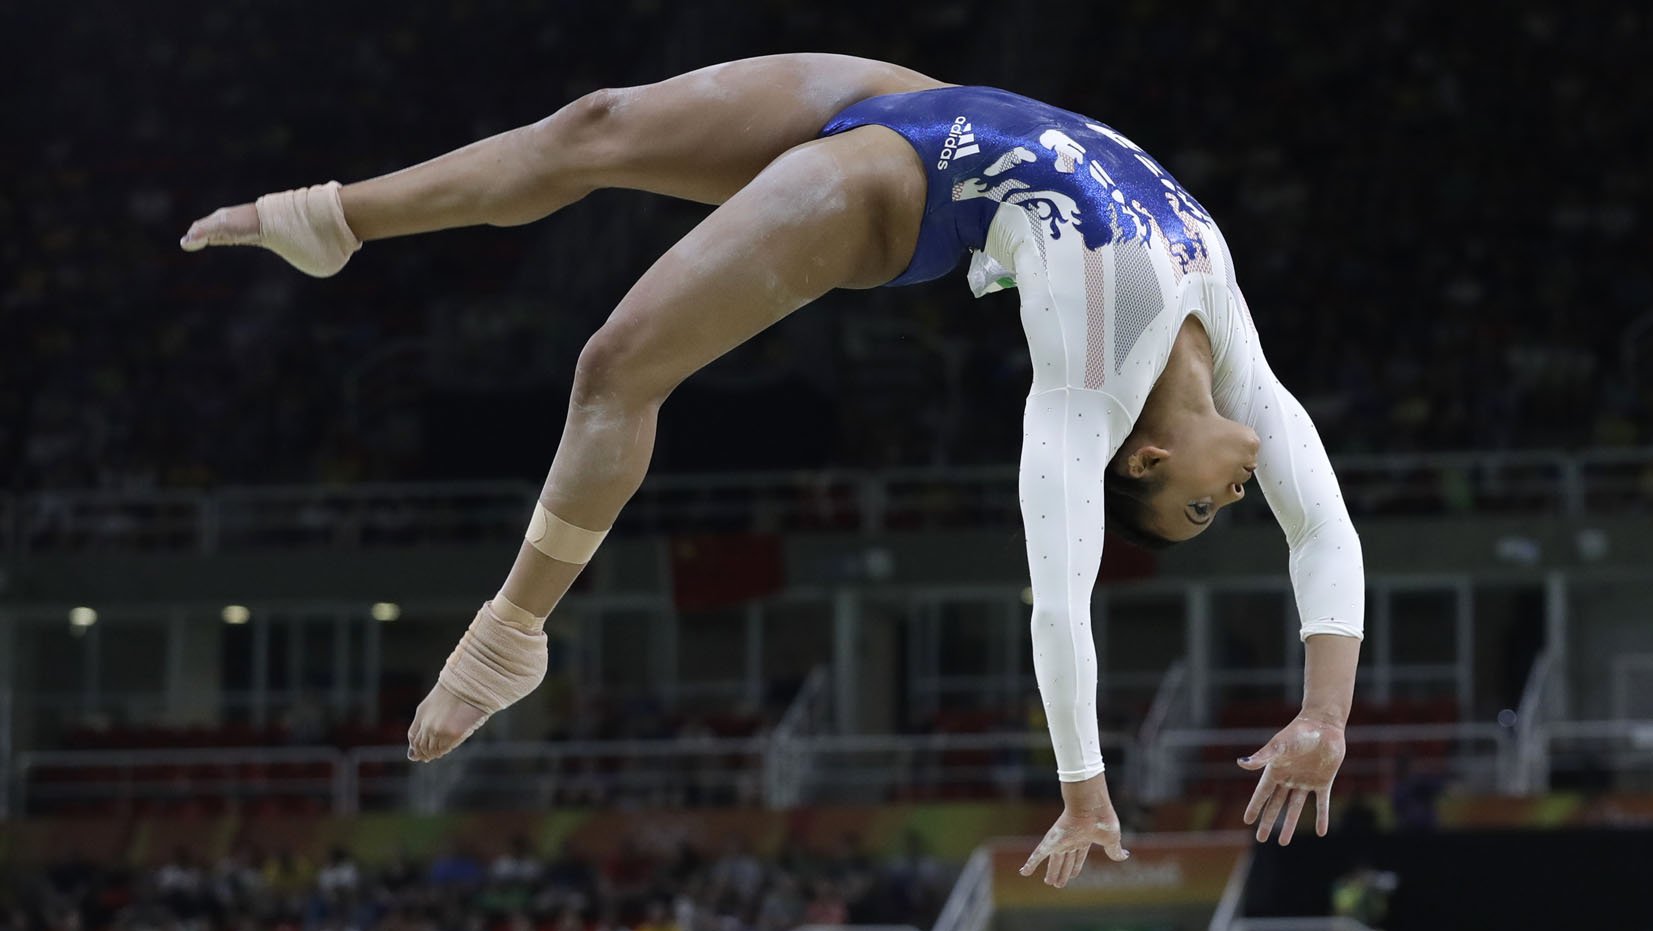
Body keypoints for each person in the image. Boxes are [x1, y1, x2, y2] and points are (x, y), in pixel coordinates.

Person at [182, 54, 1362, 885]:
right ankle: (336, 218)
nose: (1236, 497)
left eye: (1202, 509)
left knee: (615, 366)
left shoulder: (1082, 398)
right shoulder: (1244, 369)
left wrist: (1085, 790)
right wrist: (1322, 715)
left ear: (1140, 455)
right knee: (594, 123)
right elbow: (1325, 531)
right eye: (1215, 507)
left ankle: (510, 635)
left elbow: (1061, 602)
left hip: (901, 191)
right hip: (918, 101)